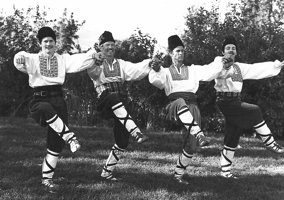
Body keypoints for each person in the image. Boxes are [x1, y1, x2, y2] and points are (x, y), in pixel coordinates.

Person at [13, 26, 99, 192]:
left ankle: (47, 180)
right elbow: (19, 59)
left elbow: (79, 60)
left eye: (51, 41)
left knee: (55, 142)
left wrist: (94, 54)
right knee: (45, 108)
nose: (48, 44)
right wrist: (20, 57)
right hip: (39, 98)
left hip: (58, 100)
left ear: (55, 43)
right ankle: (71, 137)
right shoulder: (32, 58)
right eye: (45, 41)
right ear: (40, 43)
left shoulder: (62, 59)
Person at [148, 35, 227, 185]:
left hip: (192, 106)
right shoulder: (164, 71)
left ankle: (178, 175)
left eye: (182, 51)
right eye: (177, 51)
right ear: (171, 53)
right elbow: (155, 81)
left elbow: (210, 71)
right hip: (174, 106)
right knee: (180, 102)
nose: (180, 54)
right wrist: (156, 69)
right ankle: (199, 134)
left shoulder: (192, 70)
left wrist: (221, 61)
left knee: (191, 145)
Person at [215, 35, 284, 179]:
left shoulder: (239, 67)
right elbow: (213, 69)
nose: (231, 50)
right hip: (225, 101)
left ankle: (225, 172)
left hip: (235, 101)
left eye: (233, 48)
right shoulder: (218, 63)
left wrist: (276, 65)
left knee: (233, 134)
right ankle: (270, 143)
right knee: (255, 110)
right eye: (228, 48)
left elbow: (256, 69)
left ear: (236, 52)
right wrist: (222, 64)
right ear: (223, 51)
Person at [87, 31, 153, 181]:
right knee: (112, 96)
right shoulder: (94, 62)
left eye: (112, 45)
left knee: (122, 141)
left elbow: (136, 69)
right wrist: (95, 60)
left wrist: (149, 63)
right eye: (107, 45)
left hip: (121, 104)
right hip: (105, 101)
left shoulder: (121, 64)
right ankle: (136, 132)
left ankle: (107, 172)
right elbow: (93, 74)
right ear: (100, 47)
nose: (110, 48)